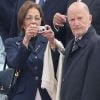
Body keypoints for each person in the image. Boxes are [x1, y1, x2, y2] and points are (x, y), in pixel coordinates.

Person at [44, 2, 100, 100]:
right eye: (72, 19)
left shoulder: (96, 44)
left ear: (90, 19)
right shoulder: (71, 45)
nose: (76, 23)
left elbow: (92, 87)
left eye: (80, 18)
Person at [5, 1, 55, 100]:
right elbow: (15, 64)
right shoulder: (11, 42)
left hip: (45, 94)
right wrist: (26, 40)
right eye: (29, 18)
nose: (33, 21)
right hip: (22, 95)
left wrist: (53, 43)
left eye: (37, 18)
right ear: (22, 23)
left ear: (41, 21)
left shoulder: (47, 41)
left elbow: (56, 65)